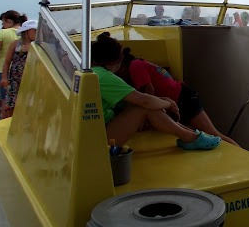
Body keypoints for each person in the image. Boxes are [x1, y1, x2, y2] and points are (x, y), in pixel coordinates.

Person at [91, 32, 221, 149]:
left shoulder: (95, 73)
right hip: (99, 138)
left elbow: (138, 100)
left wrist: (162, 101)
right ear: (119, 59)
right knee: (145, 108)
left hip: (97, 133)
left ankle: (190, 135)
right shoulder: (104, 76)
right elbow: (145, 101)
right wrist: (168, 103)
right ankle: (189, 137)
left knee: (148, 106)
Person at [117, 48, 239, 146]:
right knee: (197, 134)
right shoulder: (137, 64)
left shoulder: (135, 65)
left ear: (122, 65)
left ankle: (243, 157)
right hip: (178, 99)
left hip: (183, 98)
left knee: (212, 133)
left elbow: (149, 91)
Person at [0, 19, 37, 118]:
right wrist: (4, 77)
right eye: (34, 30)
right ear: (27, 31)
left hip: (31, 78)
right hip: (15, 79)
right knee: (11, 103)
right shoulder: (16, 44)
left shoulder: (38, 45)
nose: (37, 33)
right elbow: (7, 62)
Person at [0, 11, 26, 114]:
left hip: (3, 71)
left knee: (5, 99)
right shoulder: (25, 34)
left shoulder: (3, 33)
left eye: (3, 22)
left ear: (8, 21)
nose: (2, 25)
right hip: (21, 71)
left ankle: (4, 118)